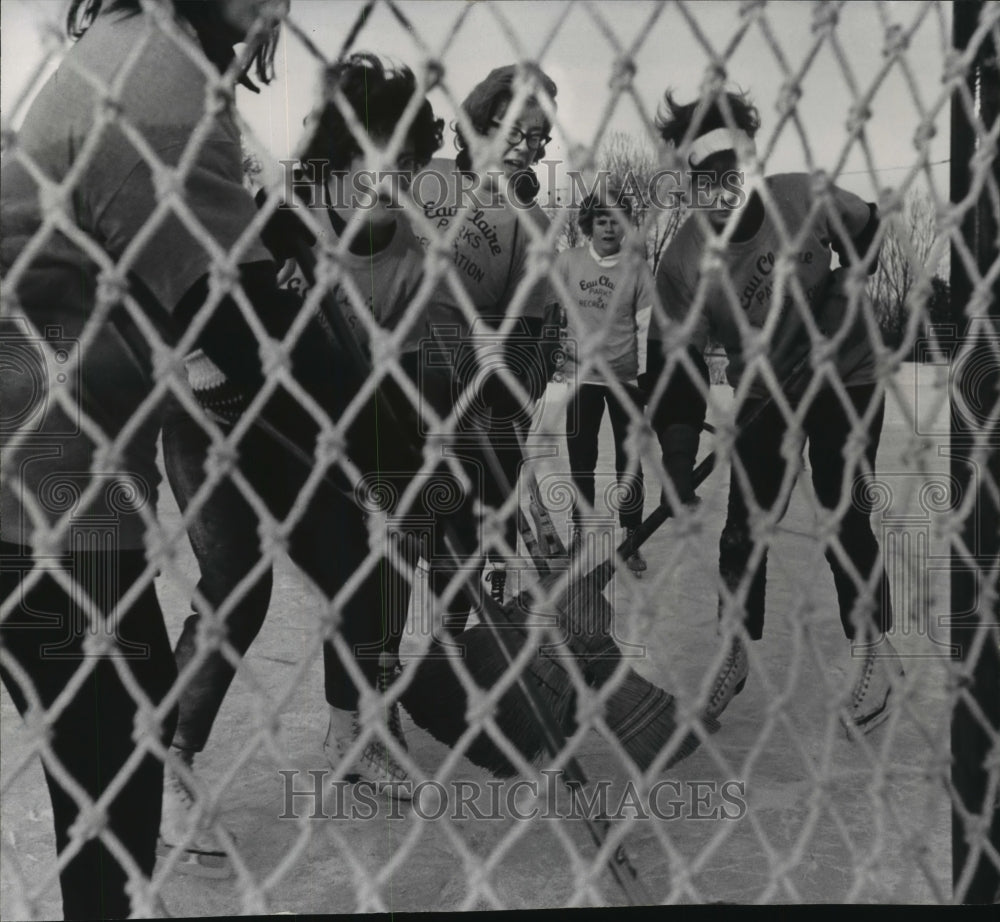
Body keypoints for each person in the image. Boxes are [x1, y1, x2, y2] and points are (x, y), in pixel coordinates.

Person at [0, 0, 320, 916]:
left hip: (66, 484)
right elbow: (241, 343)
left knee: (122, 721)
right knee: (109, 777)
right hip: (44, 497)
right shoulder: (154, 95)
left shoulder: (133, 68)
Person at [158, 52, 447, 870]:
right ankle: (164, 761)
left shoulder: (405, 257)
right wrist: (207, 367)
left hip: (302, 432)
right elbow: (192, 305)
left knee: (358, 565)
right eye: (376, 165)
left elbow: (383, 382)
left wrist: (405, 473)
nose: (391, 184)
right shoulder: (271, 222)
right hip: (211, 425)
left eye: (410, 168)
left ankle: (355, 738)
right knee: (238, 588)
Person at [651, 87, 901, 734]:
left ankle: (875, 647)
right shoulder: (682, 262)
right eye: (705, 178)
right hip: (768, 393)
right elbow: (675, 368)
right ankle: (732, 651)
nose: (722, 187)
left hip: (848, 376)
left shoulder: (802, 196)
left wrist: (850, 279)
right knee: (743, 527)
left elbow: (871, 231)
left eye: (732, 170)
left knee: (843, 508)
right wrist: (677, 454)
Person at [413, 64, 559, 628]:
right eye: (513, 132)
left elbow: (520, 347)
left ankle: (452, 645)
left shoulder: (533, 224)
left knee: (457, 540)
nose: (527, 149)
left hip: (464, 396)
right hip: (385, 381)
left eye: (539, 138)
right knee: (385, 547)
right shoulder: (423, 177)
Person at [549, 189, 654, 572]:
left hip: (625, 379)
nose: (610, 227)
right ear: (589, 225)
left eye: (617, 220)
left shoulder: (638, 268)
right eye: (602, 220)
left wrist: (646, 377)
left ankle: (632, 535)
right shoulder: (568, 262)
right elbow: (550, 311)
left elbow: (645, 327)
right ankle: (580, 530)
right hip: (582, 378)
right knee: (582, 459)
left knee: (629, 460)